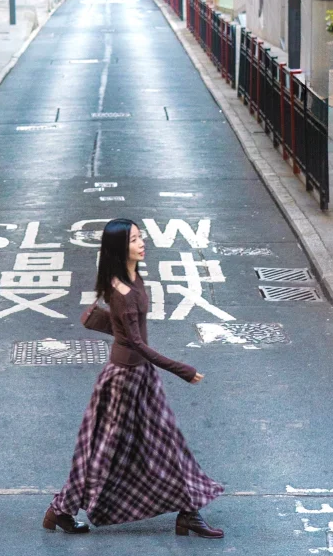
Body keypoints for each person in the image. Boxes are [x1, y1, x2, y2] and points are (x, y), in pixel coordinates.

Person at [44, 219, 224, 538]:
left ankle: (188, 512)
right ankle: (61, 509)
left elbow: (128, 333)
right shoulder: (122, 291)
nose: (142, 243)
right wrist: (182, 370)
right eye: (134, 240)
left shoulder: (131, 277)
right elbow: (137, 342)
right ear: (118, 249)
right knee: (103, 450)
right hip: (125, 380)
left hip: (141, 375)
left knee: (165, 443)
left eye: (141, 237)